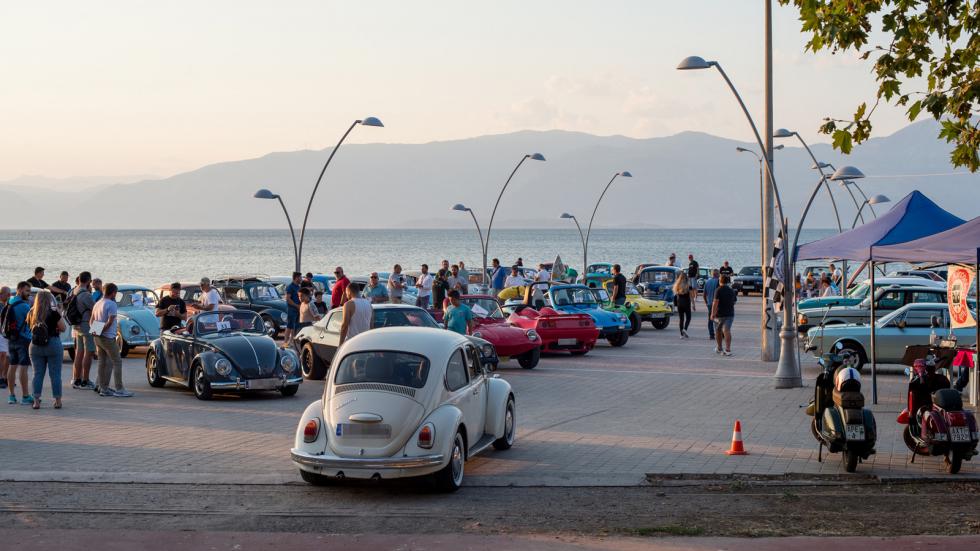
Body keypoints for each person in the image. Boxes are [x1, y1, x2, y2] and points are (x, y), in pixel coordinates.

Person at [91, 283, 133, 397]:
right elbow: (110, 322)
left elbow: (92, 321)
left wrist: (96, 331)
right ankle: (119, 388)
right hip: (108, 337)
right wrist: (101, 330)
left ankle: (102, 387)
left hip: (97, 337)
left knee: (103, 362)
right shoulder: (111, 304)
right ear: (113, 293)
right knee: (117, 361)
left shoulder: (98, 303)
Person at [27, 289, 66, 409]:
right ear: (50, 299)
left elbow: (29, 327)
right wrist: (59, 311)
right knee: (55, 374)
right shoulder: (53, 312)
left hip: (35, 345)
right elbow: (63, 328)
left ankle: (36, 401)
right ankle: (57, 400)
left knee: (37, 374)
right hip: (53, 343)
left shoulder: (31, 312)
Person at [6, 282, 33, 405]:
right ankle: (25, 396)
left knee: (12, 366)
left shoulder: (10, 302)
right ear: (20, 290)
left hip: (11, 338)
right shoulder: (24, 306)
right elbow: (32, 322)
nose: (29, 293)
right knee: (23, 367)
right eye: (27, 291)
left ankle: (11, 396)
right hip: (24, 339)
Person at [70, 272, 97, 390]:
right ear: (89, 281)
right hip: (86, 325)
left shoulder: (73, 291)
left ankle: (76, 378)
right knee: (90, 351)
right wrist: (98, 330)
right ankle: (85, 380)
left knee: (79, 352)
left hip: (76, 325)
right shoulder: (86, 294)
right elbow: (96, 310)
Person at [711, 275, 737, 356]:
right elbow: (735, 301)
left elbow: (715, 302)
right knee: (727, 330)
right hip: (730, 314)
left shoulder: (718, 290)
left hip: (719, 315)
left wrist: (712, 314)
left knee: (718, 331)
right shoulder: (731, 290)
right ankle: (728, 349)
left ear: (720, 281)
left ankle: (719, 348)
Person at [283, 272, 302, 347]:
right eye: (300, 277)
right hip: (292, 310)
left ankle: (291, 341)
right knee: (289, 326)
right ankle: (285, 342)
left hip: (298, 310)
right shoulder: (290, 287)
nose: (301, 279)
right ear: (296, 278)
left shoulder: (298, 287)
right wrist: (296, 306)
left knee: (295, 326)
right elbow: (288, 299)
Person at [673, 272, 692, 339]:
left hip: (679, 304)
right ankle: (685, 329)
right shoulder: (687, 285)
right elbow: (691, 295)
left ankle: (681, 335)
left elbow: (675, 294)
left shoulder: (677, 285)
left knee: (681, 319)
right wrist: (693, 304)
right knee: (688, 317)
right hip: (686, 303)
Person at [703, 269, 720, 340]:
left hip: (710, 303)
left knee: (710, 319)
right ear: (717, 274)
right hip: (718, 304)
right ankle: (719, 334)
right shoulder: (718, 282)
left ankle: (711, 335)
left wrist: (706, 303)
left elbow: (704, 295)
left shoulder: (707, 282)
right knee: (718, 319)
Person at [0, 286, 8, 389]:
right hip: (1, 334)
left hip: (5, 334)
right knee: (2, 356)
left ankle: (5, 377)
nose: (10, 296)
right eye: (7, 294)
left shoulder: (6, 305)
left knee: (6, 356)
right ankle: (1, 378)